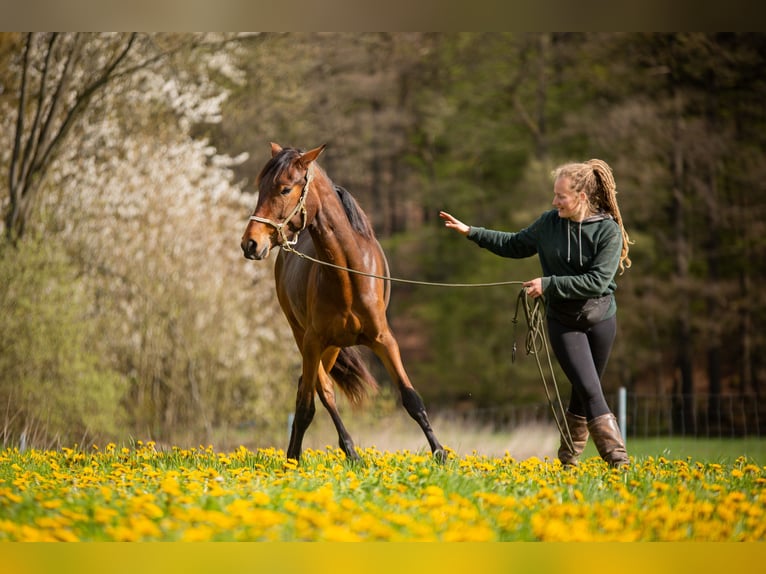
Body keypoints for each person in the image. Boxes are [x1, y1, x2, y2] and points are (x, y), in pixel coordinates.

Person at [439, 159, 632, 468]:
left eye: (561, 196)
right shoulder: (549, 223)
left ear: (582, 196)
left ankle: (568, 463)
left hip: (600, 320)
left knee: (584, 392)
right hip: (563, 322)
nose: (554, 202)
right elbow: (514, 244)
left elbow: (598, 281)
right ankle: (619, 463)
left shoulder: (608, 231)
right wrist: (471, 231)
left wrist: (548, 283)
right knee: (590, 389)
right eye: (554, 195)